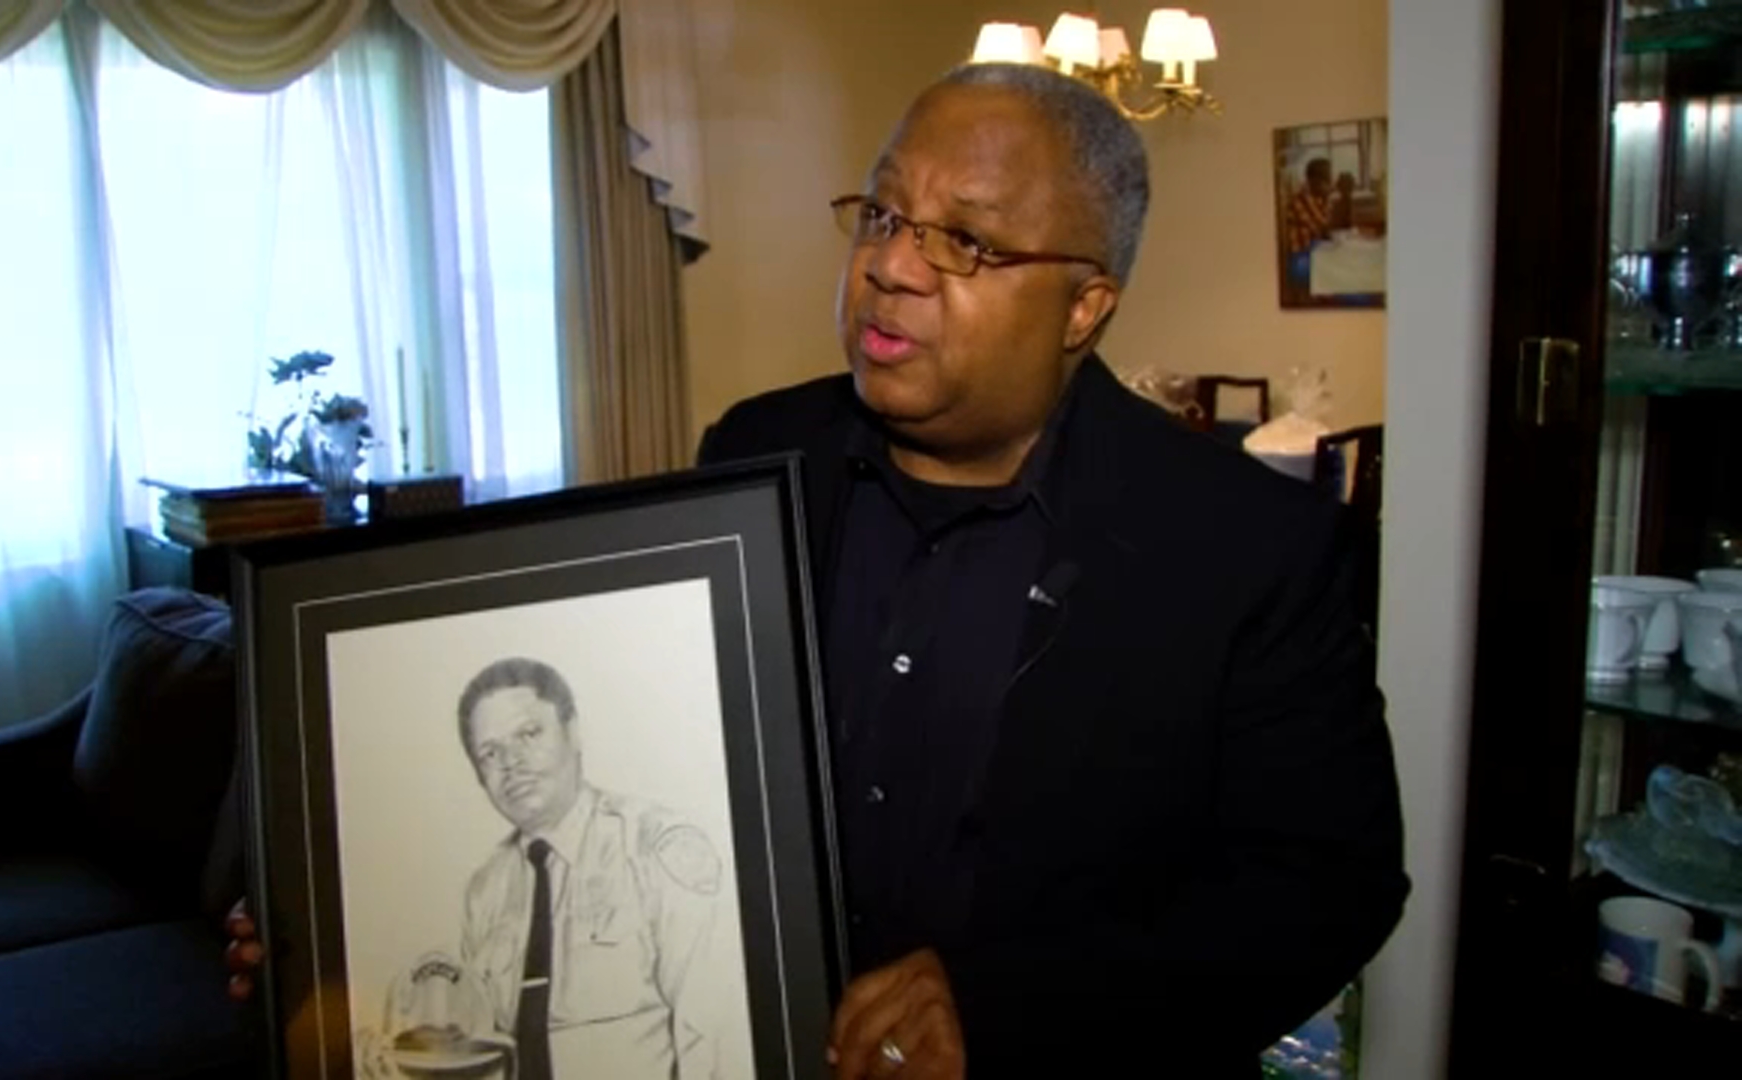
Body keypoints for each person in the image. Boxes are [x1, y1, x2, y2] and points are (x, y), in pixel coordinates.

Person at [236, 61, 1408, 1078]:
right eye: (883, 216)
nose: (892, 268)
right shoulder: (753, 454)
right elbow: (627, 768)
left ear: (1083, 306)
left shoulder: (1248, 546)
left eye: (966, 241)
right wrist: (347, 909)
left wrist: (1011, 1010)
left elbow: (1327, 886)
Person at [359, 657, 741, 1079]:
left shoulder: (654, 846)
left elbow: (711, 1034)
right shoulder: (485, 890)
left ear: (574, 732)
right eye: (490, 752)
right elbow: (487, 1051)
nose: (512, 762)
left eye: (528, 733)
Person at [1285, 156, 1336, 255]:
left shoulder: (1318, 198)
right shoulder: (1301, 199)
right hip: (1299, 255)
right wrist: (1327, 198)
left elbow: (1327, 229)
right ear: (1314, 181)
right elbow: (1322, 230)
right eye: (1328, 181)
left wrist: (1326, 199)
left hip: (1312, 250)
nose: (1331, 184)